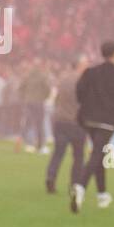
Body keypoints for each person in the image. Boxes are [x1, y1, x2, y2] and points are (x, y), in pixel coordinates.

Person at [71, 40, 114, 213]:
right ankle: (80, 187)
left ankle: (102, 194)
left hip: (89, 119)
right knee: (98, 153)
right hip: (108, 121)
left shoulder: (90, 72)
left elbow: (79, 92)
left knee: (99, 153)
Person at [46, 58, 87, 194]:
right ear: (80, 66)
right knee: (78, 156)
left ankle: (51, 177)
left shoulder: (63, 79)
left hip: (60, 121)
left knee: (58, 153)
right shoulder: (84, 81)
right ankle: (74, 184)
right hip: (77, 123)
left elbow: (56, 100)